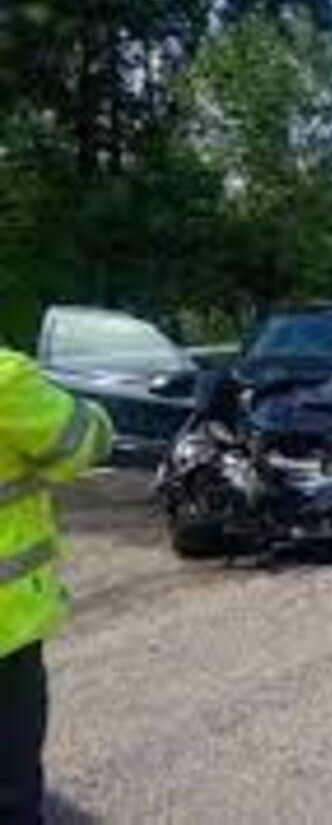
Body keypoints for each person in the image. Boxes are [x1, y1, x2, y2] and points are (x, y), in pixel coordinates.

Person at [1, 349, 113, 824]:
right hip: (5, 636)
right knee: (10, 794)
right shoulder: (6, 379)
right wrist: (97, 412)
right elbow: (82, 444)